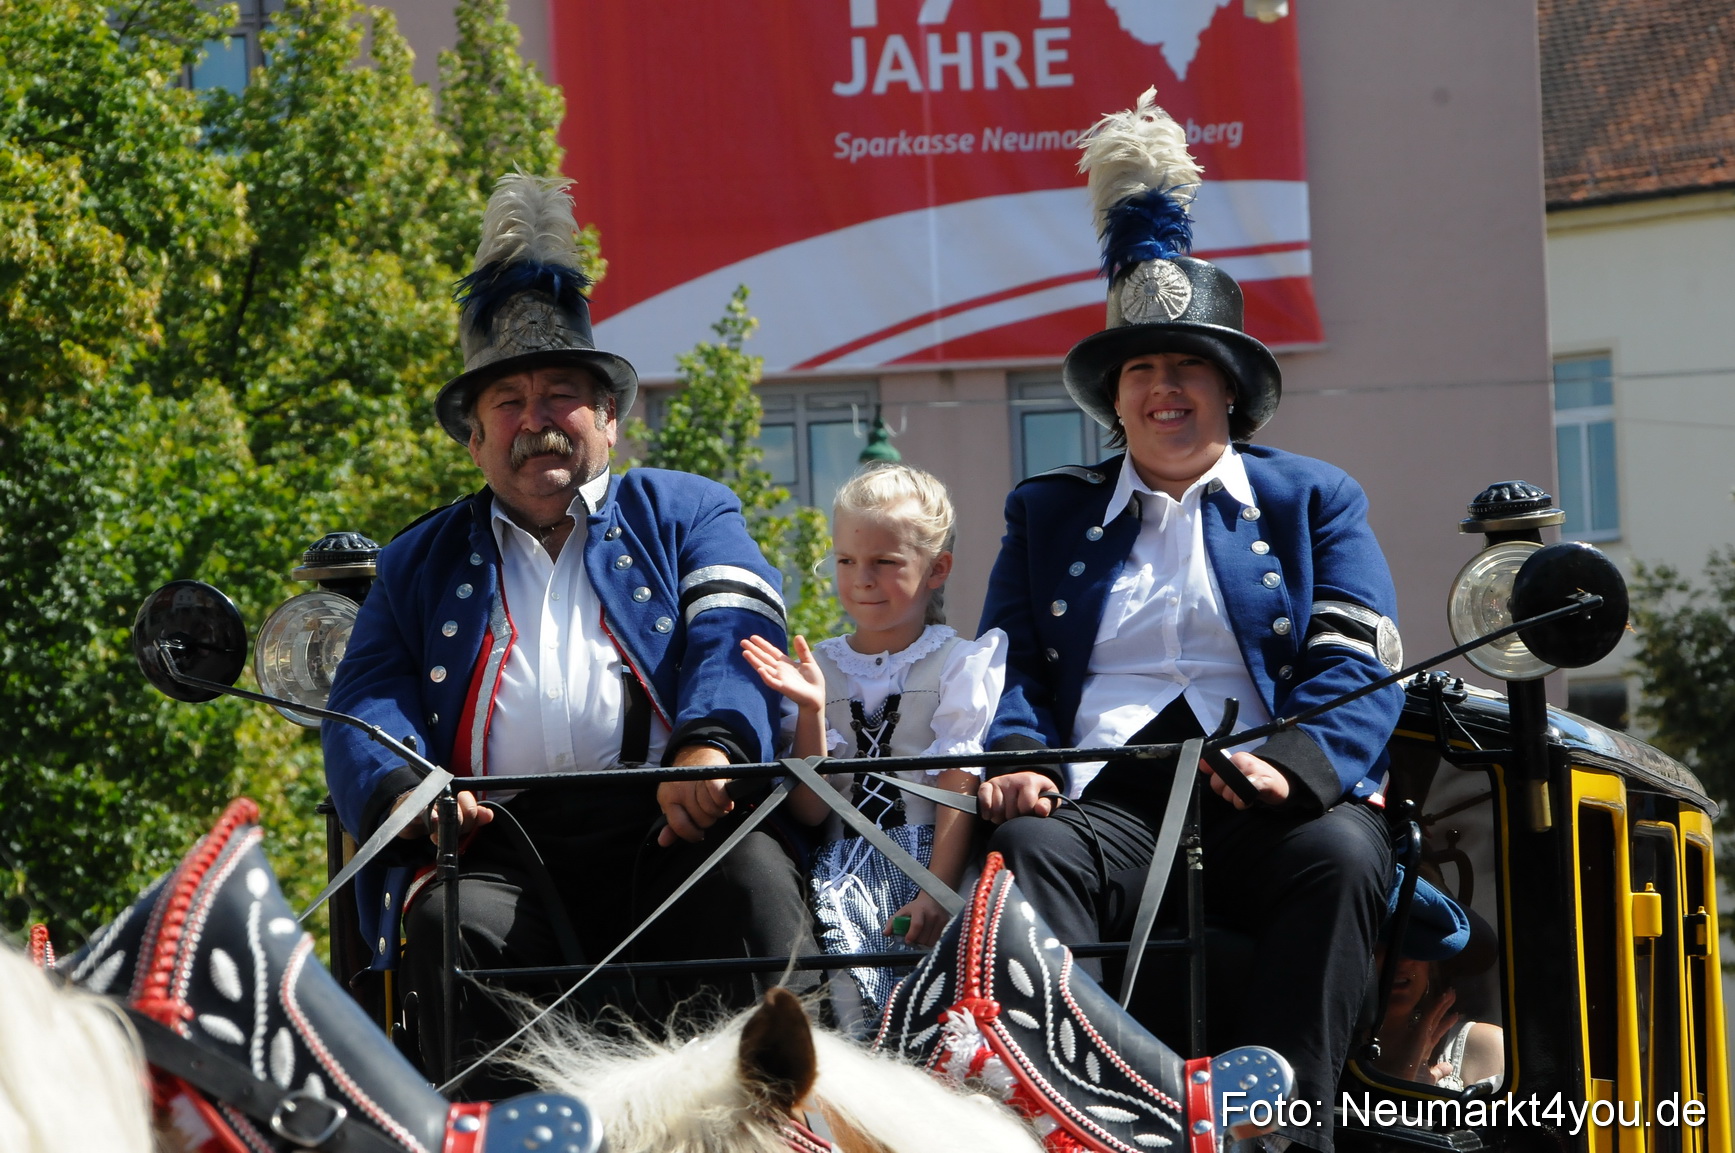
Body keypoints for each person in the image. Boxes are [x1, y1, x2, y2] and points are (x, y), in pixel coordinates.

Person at [974, 90, 1405, 1153]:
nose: (1163, 389)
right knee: (1026, 848)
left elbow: (1356, 654)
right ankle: (1065, 1124)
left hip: (1258, 793)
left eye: (1186, 367)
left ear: (1230, 392)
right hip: (1102, 800)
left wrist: (1293, 767)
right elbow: (1010, 662)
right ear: (1114, 398)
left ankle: (1280, 1131)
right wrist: (1020, 756)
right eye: (1141, 370)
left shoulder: (1313, 497)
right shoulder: (1045, 512)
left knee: (1344, 854)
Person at [322, 172, 817, 1094]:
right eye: (508, 402)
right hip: (496, 847)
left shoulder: (689, 509)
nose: (536, 420)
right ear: (474, 439)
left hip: (672, 825)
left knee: (749, 880)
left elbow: (736, 628)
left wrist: (711, 746)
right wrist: (406, 791)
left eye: (561, 394)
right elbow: (364, 703)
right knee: (447, 924)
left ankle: (786, 1130)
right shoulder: (416, 559)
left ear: (609, 419)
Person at [740, 464, 1004, 1029]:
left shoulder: (961, 662)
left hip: (938, 861)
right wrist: (812, 709)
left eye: (885, 561)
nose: (861, 579)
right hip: (840, 874)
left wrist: (936, 890)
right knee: (853, 1018)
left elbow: (959, 781)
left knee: (942, 1014)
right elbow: (811, 811)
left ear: (937, 569)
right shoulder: (819, 666)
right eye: (846, 561)